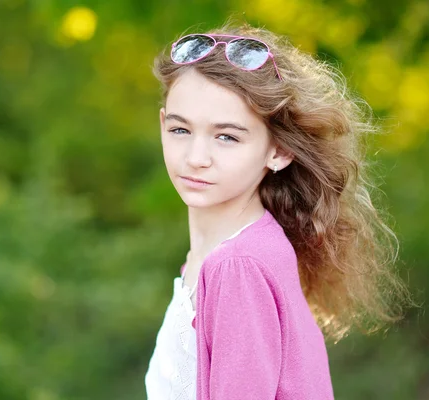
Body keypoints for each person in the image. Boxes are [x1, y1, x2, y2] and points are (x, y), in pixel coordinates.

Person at [144, 20, 412, 400]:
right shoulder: (219, 257)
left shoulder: (238, 267)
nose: (195, 158)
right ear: (162, 125)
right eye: (181, 130)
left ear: (279, 150)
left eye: (226, 137)